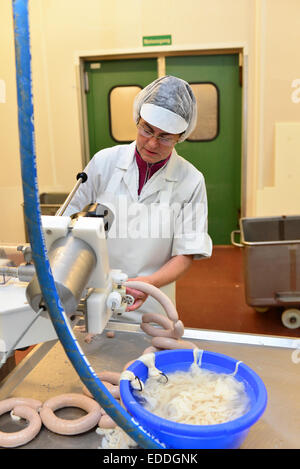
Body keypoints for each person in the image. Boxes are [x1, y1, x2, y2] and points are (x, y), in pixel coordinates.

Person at [64, 76, 212, 322]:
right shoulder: (104, 162)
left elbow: (187, 253)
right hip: (91, 294)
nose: (152, 143)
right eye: (147, 130)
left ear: (180, 136)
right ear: (137, 120)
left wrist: (149, 284)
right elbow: (70, 221)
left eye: (165, 136)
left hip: (150, 300)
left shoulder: (191, 180)